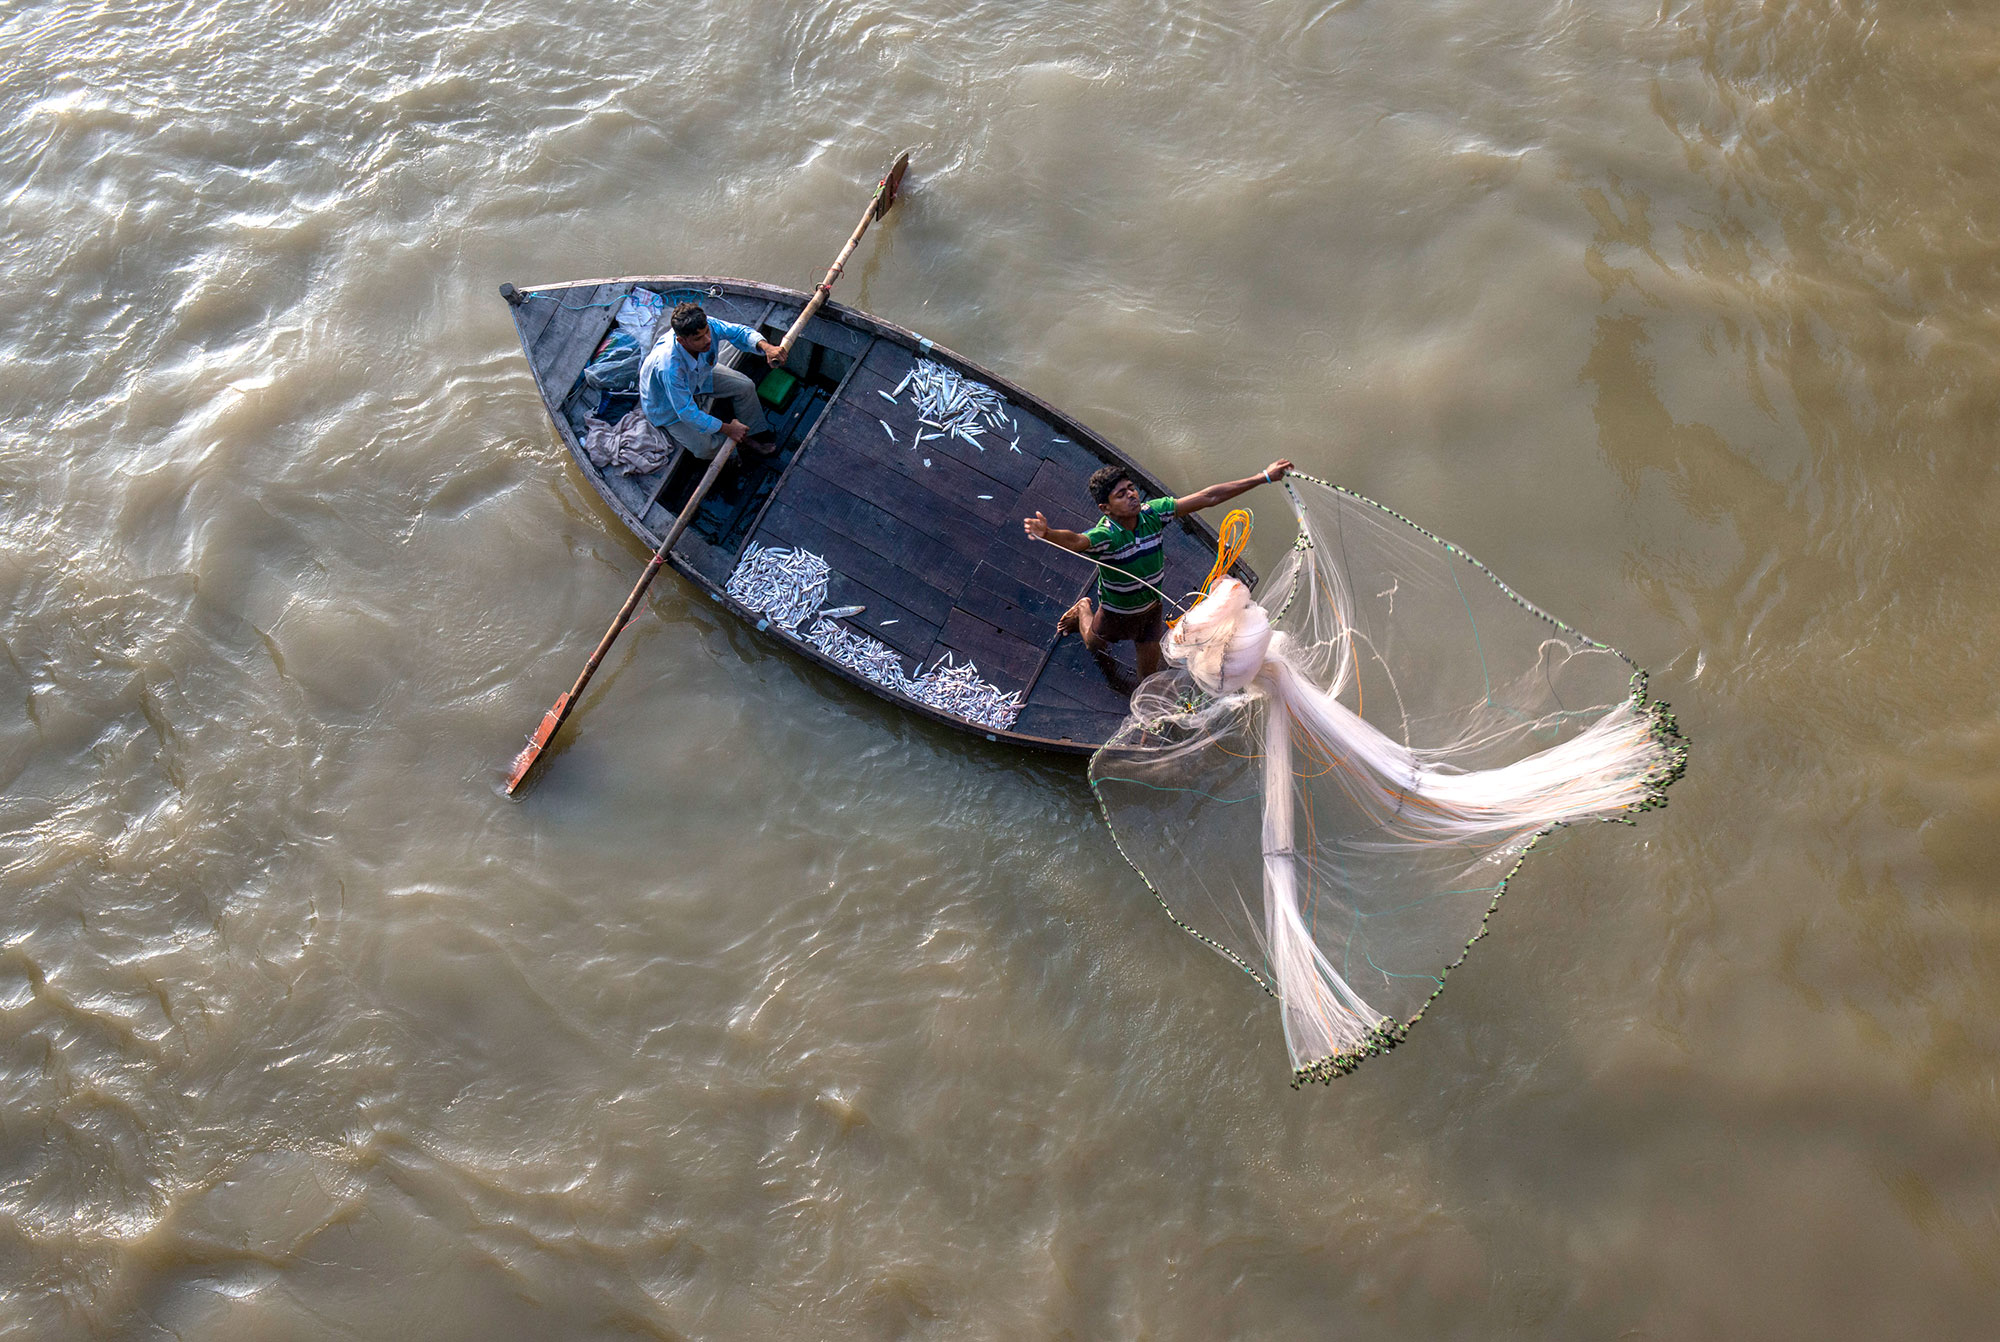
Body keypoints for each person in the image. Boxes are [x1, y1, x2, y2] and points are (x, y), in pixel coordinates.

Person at [1024, 459, 1294, 684]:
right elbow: (1076, 541)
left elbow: (1208, 497)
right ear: (1105, 508)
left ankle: (1144, 720)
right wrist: (1047, 533)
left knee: (1148, 673)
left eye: (1131, 489)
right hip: (1115, 612)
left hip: (1151, 611)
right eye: (1121, 494)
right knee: (1094, 644)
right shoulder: (1106, 536)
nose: (1131, 495)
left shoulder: (1154, 514)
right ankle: (1083, 608)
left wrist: (1263, 477)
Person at [639, 302, 785, 461]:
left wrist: (766, 347)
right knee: (705, 449)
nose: (708, 340)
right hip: (666, 406)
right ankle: (740, 449)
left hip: (698, 376)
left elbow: (739, 332)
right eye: (698, 339)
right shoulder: (669, 367)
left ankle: (752, 433)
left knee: (745, 386)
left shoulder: (708, 325)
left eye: (707, 332)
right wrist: (727, 428)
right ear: (682, 341)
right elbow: (686, 412)